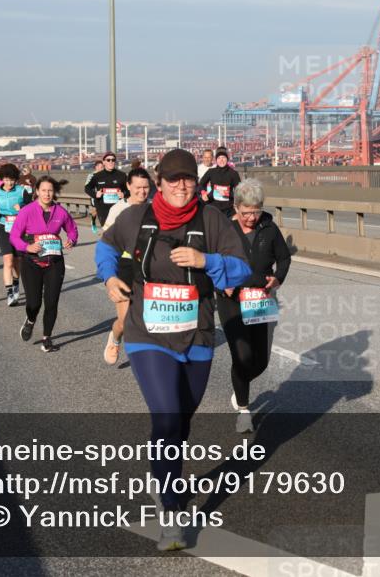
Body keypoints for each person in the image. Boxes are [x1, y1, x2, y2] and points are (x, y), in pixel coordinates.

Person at [95, 149, 250, 551]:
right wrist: (110, 278)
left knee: (181, 420)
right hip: (147, 333)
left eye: (187, 179)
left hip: (197, 334)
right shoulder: (135, 217)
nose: (182, 186)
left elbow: (241, 267)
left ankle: (162, 471)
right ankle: (171, 513)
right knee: (166, 416)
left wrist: (206, 259)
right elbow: (106, 247)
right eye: (173, 179)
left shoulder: (211, 219)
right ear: (159, 182)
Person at [216, 179, 291, 432]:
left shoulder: (268, 228)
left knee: (260, 362)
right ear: (236, 207)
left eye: (256, 211)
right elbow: (212, 260)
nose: (251, 217)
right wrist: (220, 282)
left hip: (260, 299)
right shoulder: (225, 229)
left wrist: (277, 277)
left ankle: (239, 387)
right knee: (242, 355)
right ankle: (244, 410)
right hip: (232, 300)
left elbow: (283, 257)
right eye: (246, 212)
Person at [9, 176, 78, 352]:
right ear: (37, 191)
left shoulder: (60, 211)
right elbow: (14, 236)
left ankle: (47, 338)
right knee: (34, 303)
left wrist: (71, 240)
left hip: (55, 262)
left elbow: (72, 229)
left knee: (52, 302)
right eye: (44, 190)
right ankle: (30, 320)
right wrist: (27, 247)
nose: (47, 194)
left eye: (50, 190)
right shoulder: (27, 211)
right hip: (32, 262)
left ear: (53, 192)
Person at [101, 167, 152, 365]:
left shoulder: (155, 208)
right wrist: (109, 275)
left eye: (146, 187)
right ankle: (114, 339)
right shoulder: (118, 210)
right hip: (124, 266)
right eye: (138, 187)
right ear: (129, 186)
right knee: (124, 321)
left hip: (148, 267)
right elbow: (106, 243)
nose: (142, 192)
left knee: (149, 318)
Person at [0, 163, 32, 306]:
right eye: (6, 179)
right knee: (8, 260)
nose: (9, 183)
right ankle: (9, 293)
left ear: (16, 179)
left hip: (19, 229)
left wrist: (21, 207)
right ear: (2, 178)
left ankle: (16, 284)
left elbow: (31, 207)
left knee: (17, 262)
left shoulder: (22, 191)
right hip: (3, 228)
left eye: (11, 180)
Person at [84, 153, 128, 229]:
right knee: (107, 232)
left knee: (118, 231)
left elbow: (129, 190)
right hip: (103, 209)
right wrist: (95, 194)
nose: (111, 162)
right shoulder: (97, 176)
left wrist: (124, 194)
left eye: (113, 160)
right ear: (104, 162)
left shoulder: (122, 175)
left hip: (118, 208)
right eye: (108, 160)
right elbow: (87, 188)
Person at [198, 146, 242, 217]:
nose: (221, 160)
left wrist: (227, 194)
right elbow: (201, 185)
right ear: (216, 160)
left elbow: (240, 192)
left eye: (223, 157)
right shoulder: (211, 172)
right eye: (219, 158)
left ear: (227, 159)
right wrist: (203, 193)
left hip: (229, 209)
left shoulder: (233, 173)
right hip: (213, 207)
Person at [85, 160, 104, 234]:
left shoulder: (104, 175)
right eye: (100, 167)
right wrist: (94, 193)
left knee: (103, 211)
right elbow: (87, 186)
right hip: (94, 196)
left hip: (104, 196)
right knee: (95, 211)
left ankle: (104, 228)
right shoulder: (91, 175)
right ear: (96, 167)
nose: (101, 168)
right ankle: (93, 222)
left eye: (102, 167)